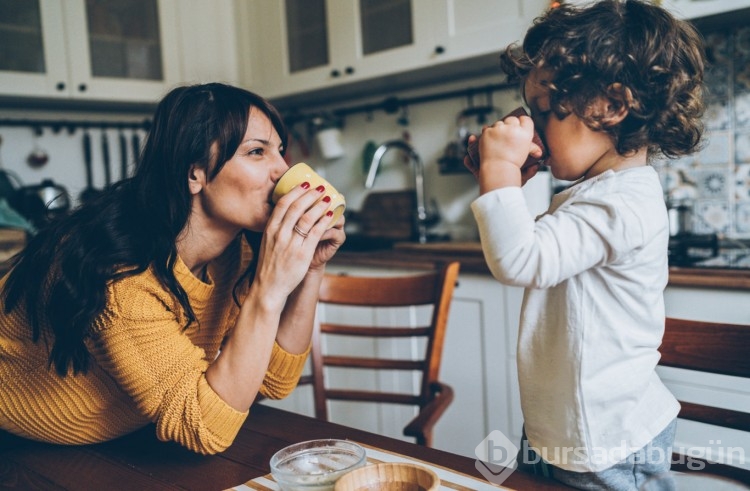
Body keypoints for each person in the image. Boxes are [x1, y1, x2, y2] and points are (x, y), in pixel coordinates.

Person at [0, 83, 345, 455]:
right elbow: (205, 429)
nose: (283, 169)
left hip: (121, 441)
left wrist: (310, 270)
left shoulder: (235, 253)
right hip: (24, 448)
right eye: (257, 152)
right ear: (195, 172)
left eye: (280, 151)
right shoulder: (120, 278)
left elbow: (273, 380)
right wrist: (269, 290)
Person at [465, 1, 705, 488]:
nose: (533, 128)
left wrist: (500, 172)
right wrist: (506, 181)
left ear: (612, 107)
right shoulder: (595, 194)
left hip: (605, 442)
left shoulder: (623, 202)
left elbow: (520, 259)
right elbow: (539, 248)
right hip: (564, 428)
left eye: (545, 113)